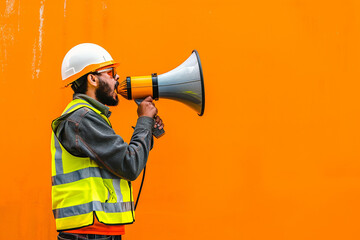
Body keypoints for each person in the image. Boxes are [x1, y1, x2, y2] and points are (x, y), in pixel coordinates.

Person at [51, 43, 163, 240]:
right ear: (92, 78)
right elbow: (130, 164)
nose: (118, 77)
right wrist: (144, 121)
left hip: (99, 230)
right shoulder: (82, 119)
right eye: (111, 73)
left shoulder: (89, 116)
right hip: (89, 232)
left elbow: (125, 161)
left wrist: (146, 129)